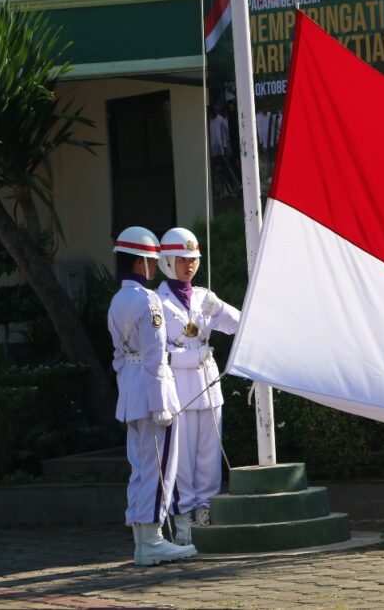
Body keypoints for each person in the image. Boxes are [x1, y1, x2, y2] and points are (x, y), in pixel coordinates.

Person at [107, 226, 196, 566]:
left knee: (141, 468)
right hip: (153, 394)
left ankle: (142, 541)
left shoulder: (117, 300)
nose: (155, 266)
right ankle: (153, 540)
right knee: (159, 470)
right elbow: (156, 356)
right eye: (152, 260)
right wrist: (161, 404)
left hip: (131, 394)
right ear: (142, 262)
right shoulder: (148, 301)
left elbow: (119, 358)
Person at [157, 227, 241, 543]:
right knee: (182, 460)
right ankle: (183, 518)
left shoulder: (205, 297)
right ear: (167, 262)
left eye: (192, 259)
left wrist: (218, 309)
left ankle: (206, 512)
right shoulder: (158, 302)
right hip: (178, 388)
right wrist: (184, 358)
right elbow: (156, 352)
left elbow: (237, 323)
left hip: (207, 385)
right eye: (181, 259)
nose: (189, 265)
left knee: (208, 457)